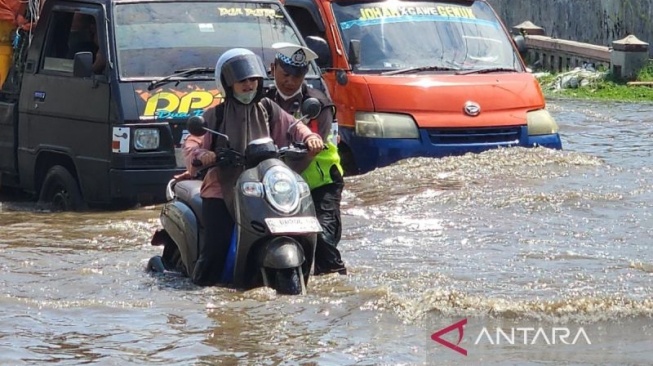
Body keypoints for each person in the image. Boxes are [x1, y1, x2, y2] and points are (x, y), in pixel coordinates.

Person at [187, 48, 324, 286]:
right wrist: (203, 154)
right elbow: (192, 144)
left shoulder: (268, 107)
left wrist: (310, 137)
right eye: (242, 81)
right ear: (228, 84)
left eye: (253, 80)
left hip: (264, 187)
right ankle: (201, 287)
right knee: (216, 245)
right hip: (222, 189)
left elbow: (294, 127)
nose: (249, 85)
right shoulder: (215, 115)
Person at [266, 42, 347, 276]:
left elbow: (315, 144)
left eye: (298, 75)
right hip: (276, 185)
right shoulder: (262, 101)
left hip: (321, 185)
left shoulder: (318, 103)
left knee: (322, 240)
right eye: (285, 74)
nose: (290, 81)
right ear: (273, 68)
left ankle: (336, 282)